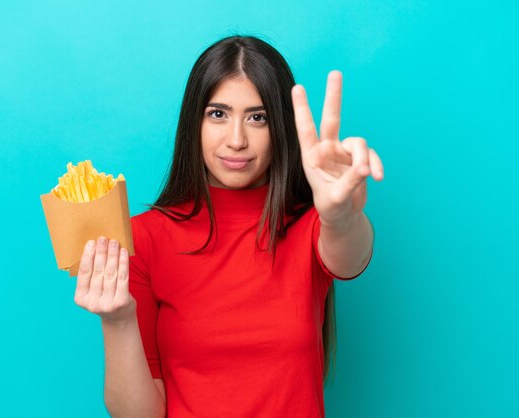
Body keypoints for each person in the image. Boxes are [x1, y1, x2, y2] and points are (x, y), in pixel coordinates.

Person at [73, 35, 384, 418]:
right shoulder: (144, 237)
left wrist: (341, 216)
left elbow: (350, 256)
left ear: (280, 129)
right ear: (194, 123)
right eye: (217, 114)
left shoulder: (310, 227)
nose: (237, 140)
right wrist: (117, 321)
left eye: (258, 117)